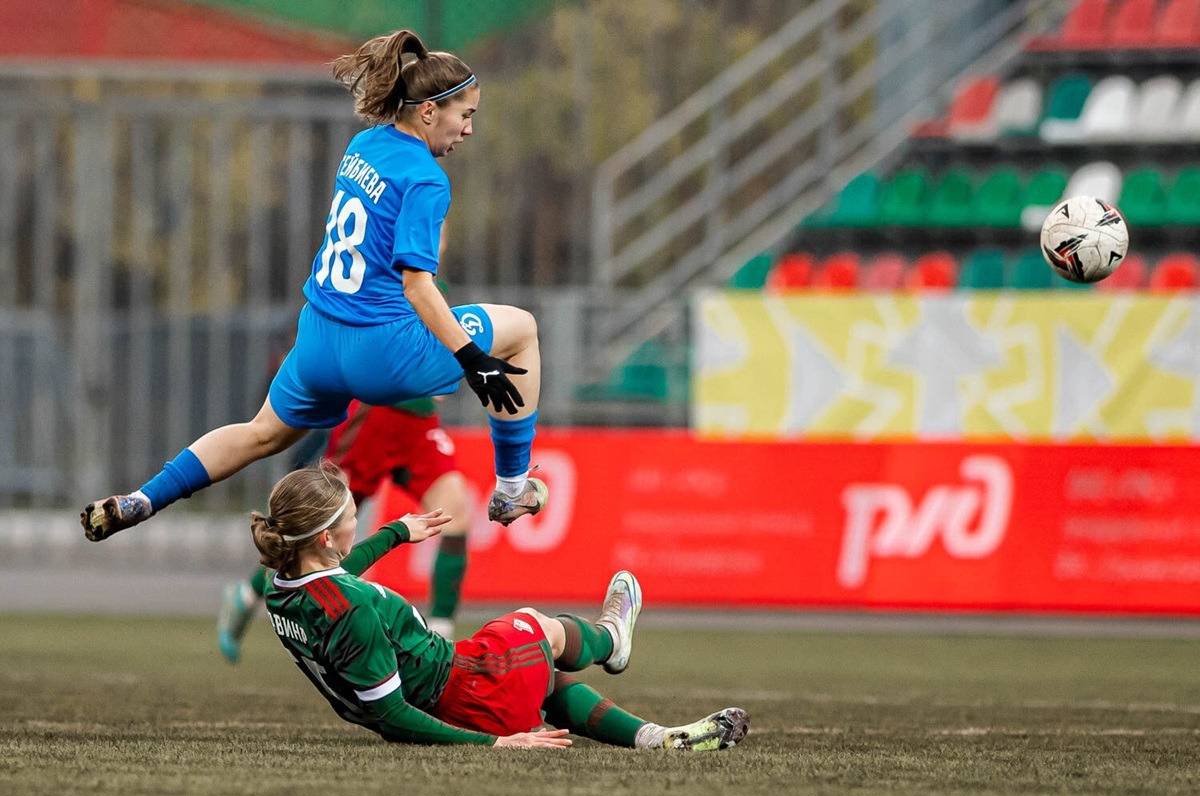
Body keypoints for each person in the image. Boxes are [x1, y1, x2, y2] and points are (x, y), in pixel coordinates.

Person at [81, 28, 546, 542]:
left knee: (261, 433)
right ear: (430, 112)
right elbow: (417, 286)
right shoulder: (427, 178)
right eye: (466, 114)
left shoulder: (364, 143)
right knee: (521, 328)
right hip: (382, 352)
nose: (469, 130)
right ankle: (511, 487)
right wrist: (471, 359)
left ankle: (144, 498)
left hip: (319, 340)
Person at [250, 462, 750, 750]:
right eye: (353, 517)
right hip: (466, 690)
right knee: (535, 625)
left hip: (453, 690)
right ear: (324, 536)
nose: (359, 522)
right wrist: (493, 744)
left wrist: (397, 532)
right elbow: (389, 713)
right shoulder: (353, 608)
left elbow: (338, 575)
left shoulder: (282, 585)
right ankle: (611, 640)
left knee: (549, 684)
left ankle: (658, 739)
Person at [217, 397, 470, 661]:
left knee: (456, 515)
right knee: (319, 519)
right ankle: (247, 595)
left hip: (419, 419)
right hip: (376, 409)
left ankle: (440, 641)